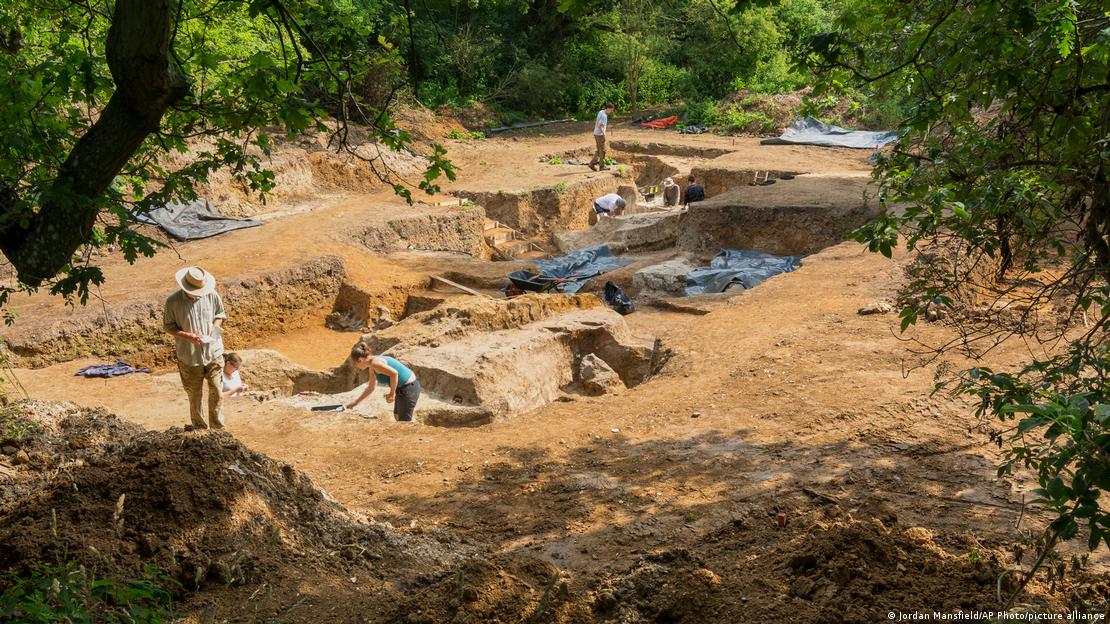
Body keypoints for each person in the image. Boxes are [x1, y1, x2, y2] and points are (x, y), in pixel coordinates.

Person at [163, 266, 227, 430]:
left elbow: (220, 314)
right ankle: (199, 428)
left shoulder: (211, 295)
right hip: (189, 356)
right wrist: (188, 336)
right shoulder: (173, 302)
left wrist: (214, 328)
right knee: (194, 394)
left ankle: (217, 428)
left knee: (217, 391)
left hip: (213, 352)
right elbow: (169, 327)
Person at [345, 342, 421, 422]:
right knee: (397, 416)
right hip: (402, 388)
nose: (356, 367)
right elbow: (371, 387)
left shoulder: (375, 363)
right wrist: (355, 402)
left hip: (409, 388)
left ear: (360, 360)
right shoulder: (372, 365)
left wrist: (392, 394)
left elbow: (394, 374)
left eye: (355, 364)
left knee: (404, 423)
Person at [588, 102, 615, 171]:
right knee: (602, 151)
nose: (611, 112)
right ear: (608, 108)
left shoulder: (601, 112)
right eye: (611, 110)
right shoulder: (604, 115)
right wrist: (604, 134)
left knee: (599, 150)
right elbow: (601, 125)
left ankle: (594, 164)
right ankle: (599, 166)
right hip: (600, 135)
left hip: (596, 134)